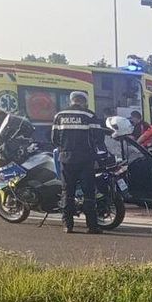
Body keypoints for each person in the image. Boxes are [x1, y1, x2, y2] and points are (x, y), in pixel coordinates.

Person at [51, 91, 109, 234]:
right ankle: (92, 226)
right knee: (89, 193)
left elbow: (54, 139)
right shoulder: (89, 115)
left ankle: (68, 225)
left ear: (71, 101)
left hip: (66, 158)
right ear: (84, 101)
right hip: (85, 159)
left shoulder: (59, 116)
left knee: (67, 192)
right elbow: (98, 136)